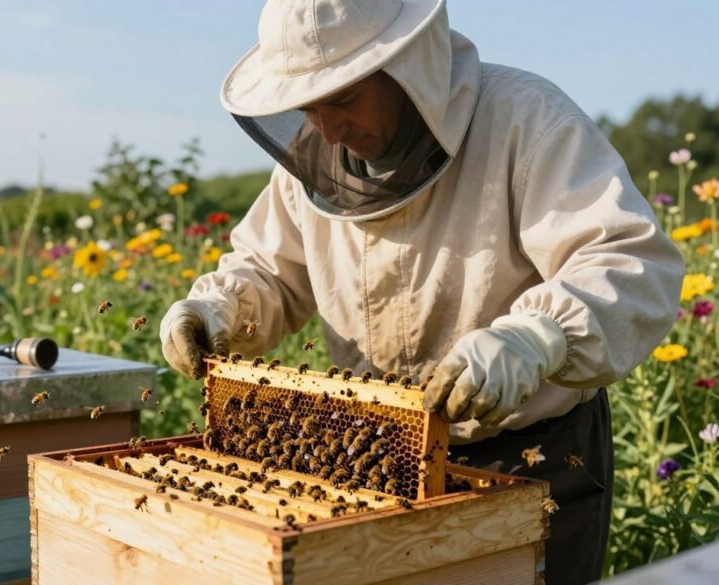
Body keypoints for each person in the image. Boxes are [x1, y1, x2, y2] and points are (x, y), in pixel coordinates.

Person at [159, 1, 684, 582]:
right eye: (307, 106)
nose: (327, 127)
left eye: (344, 98)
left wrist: (536, 339)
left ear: (409, 68)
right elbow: (270, 268)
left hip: (529, 454)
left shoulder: (527, 120)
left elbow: (629, 260)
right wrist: (219, 307)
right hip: (374, 457)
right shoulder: (313, 160)